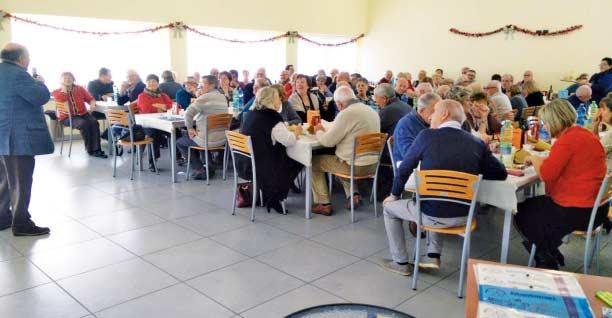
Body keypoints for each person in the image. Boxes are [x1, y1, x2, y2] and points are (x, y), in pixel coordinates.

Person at [381, 100, 507, 273]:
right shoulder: (476, 142)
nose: (431, 116)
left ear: (444, 114)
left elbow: (404, 169)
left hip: (430, 215)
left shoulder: (426, 136)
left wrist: (394, 195)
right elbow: (501, 173)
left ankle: (400, 263)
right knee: (437, 196)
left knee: (389, 208)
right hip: (465, 216)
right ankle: (432, 255)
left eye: (435, 112)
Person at [514, 99, 609, 269]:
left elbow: (546, 175)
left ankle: (544, 254)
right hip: (597, 209)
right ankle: (548, 248)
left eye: (546, 123)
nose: (545, 127)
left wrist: (533, 158)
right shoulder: (585, 135)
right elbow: (568, 163)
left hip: (577, 212)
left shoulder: (566, 141)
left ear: (555, 121)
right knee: (534, 207)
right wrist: (543, 160)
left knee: (521, 211)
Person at [0, 43, 53, 236]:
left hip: (2, 136)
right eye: (28, 57)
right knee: (21, 181)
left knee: (6, 179)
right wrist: (40, 82)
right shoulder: (18, 74)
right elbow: (39, 96)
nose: (29, 60)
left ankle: (3, 217)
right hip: (18, 138)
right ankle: (21, 223)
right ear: (21, 58)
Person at [310, 86, 380, 215]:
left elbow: (327, 142)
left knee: (314, 162)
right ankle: (353, 194)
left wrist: (318, 130)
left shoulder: (346, 114)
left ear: (339, 104)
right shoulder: (370, 110)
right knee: (342, 157)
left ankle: (323, 203)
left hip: (353, 166)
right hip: (372, 164)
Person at [239, 87, 303, 213]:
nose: (280, 100)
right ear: (272, 100)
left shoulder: (251, 114)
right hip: (262, 166)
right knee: (298, 160)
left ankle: (274, 189)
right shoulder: (273, 118)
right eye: (278, 98)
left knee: (283, 154)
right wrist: (297, 132)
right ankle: (276, 195)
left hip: (244, 163)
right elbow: (289, 140)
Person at [176, 75, 229, 180]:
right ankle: (209, 167)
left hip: (206, 140)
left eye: (202, 83)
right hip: (222, 139)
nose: (200, 85)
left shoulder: (204, 98)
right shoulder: (222, 96)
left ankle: (199, 169)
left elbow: (187, 114)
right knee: (199, 134)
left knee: (180, 142)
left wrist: (190, 128)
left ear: (211, 85)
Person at [52, 72, 107, 158]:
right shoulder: (56, 92)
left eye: (70, 77)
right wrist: (65, 89)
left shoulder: (80, 89)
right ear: (60, 81)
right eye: (65, 77)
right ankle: (90, 150)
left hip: (83, 114)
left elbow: (90, 98)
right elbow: (62, 98)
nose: (68, 79)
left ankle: (96, 149)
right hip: (67, 118)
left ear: (73, 79)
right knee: (83, 124)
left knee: (94, 122)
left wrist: (92, 103)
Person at [136, 74, 173, 170]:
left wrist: (157, 105)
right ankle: (152, 161)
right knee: (154, 134)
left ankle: (177, 158)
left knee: (175, 132)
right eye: (150, 81)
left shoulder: (163, 95)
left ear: (158, 83)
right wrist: (161, 106)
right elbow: (146, 109)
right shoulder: (142, 96)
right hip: (147, 124)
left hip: (162, 122)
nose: (152, 83)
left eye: (154, 81)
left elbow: (170, 106)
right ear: (146, 83)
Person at [392, 93, 440, 164]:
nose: (437, 115)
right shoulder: (405, 124)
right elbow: (409, 155)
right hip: (410, 170)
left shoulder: (430, 123)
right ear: (421, 110)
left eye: (439, 111)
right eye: (433, 111)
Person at [593, 94, 612, 172]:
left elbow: (595, 154)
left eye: (604, 109)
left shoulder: (610, 134)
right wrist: (595, 126)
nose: (600, 112)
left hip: (606, 174)